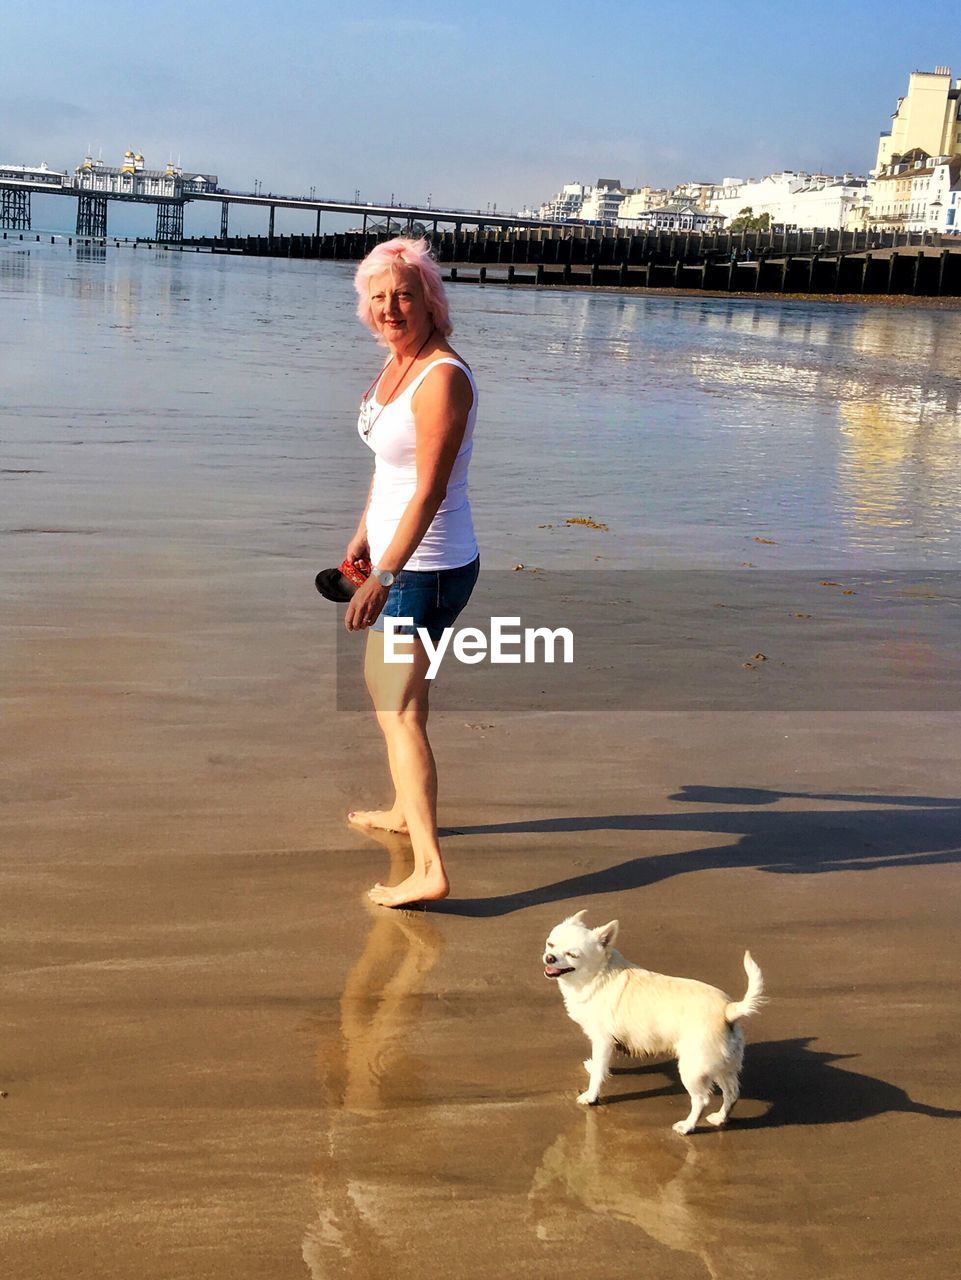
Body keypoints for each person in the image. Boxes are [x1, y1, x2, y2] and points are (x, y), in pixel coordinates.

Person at [343, 238, 480, 908]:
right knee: (405, 702)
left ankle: (428, 869)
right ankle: (406, 809)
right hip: (404, 558)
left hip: (426, 567)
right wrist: (362, 538)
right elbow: (386, 470)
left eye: (403, 294)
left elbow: (427, 492)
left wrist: (384, 577)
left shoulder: (442, 378)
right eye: (378, 297)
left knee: (395, 709)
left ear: (430, 299)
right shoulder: (394, 368)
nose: (390, 307)